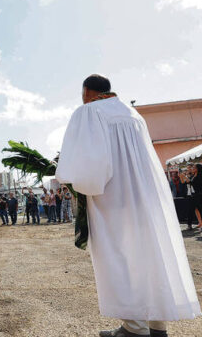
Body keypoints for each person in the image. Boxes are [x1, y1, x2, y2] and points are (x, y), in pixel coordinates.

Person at [56, 74, 200, 337]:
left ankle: (134, 328)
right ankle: (157, 325)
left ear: (86, 92)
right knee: (149, 255)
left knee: (120, 258)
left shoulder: (89, 112)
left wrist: (74, 183)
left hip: (114, 198)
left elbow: (89, 167)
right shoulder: (133, 115)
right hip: (147, 196)